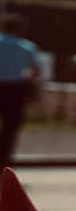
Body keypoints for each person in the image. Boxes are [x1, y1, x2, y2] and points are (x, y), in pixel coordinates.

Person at [0, 14, 40, 169]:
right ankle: (4, 158)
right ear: (19, 29)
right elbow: (36, 70)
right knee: (11, 126)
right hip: (15, 89)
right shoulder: (27, 47)